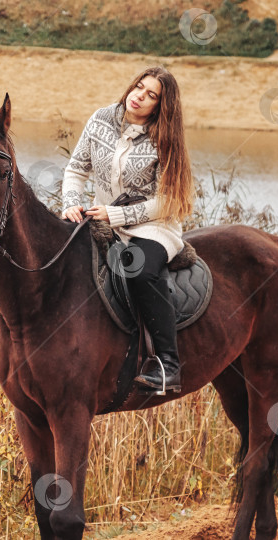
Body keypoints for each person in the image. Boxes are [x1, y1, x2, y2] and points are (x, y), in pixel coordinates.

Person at [61, 66, 195, 393]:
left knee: (139, 270)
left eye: (151, 95)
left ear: (161, 106)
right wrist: (71, 202)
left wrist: (116, 214)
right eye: (139, 86)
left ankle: (168, 365)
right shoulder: (101, 118)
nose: (139, 96)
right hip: (103, 218)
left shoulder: (166, 138)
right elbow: (76, 170)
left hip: (153, 226)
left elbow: (167, 201)